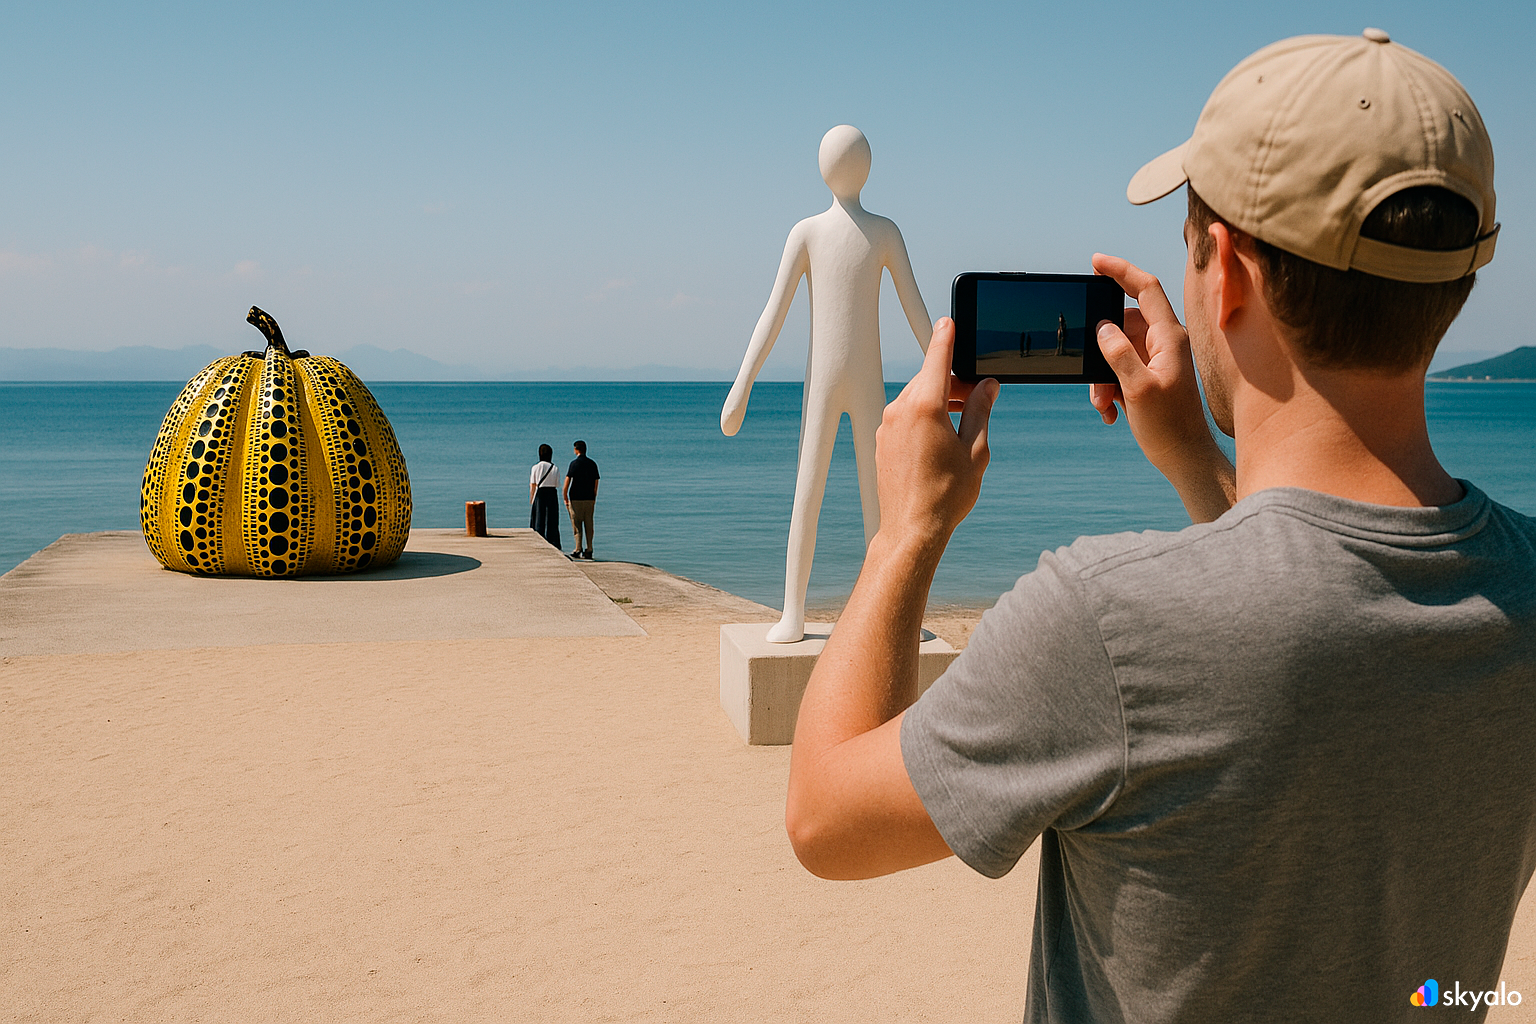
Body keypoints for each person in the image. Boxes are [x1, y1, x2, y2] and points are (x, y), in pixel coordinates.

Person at [784, 30, 1533, 1022]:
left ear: (1223, 274)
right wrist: (1200, 466)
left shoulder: (1108, 624)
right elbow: (1329, 614)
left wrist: (905, 533)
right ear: (1460, 276)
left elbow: (827, 820)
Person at [563, 439, 600, 560]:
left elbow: (567, 481)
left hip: (576, 498)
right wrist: (594, 496)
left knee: (577, 524)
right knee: (589, 523)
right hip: (589, 498)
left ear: (576, 450)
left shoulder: (574, 464)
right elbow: (596, 482)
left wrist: (565, 496)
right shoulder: (592, 464)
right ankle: (589, 549)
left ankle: (578, 548)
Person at [527, 443, 562, 549]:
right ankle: (553, 542)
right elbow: (557, 484)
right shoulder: (555, 467)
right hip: (552, 493)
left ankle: (538, 542)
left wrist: (532, 499)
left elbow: (533, 485)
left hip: (540, 493)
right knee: (552, 520)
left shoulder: (535, 467)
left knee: (538, 520)